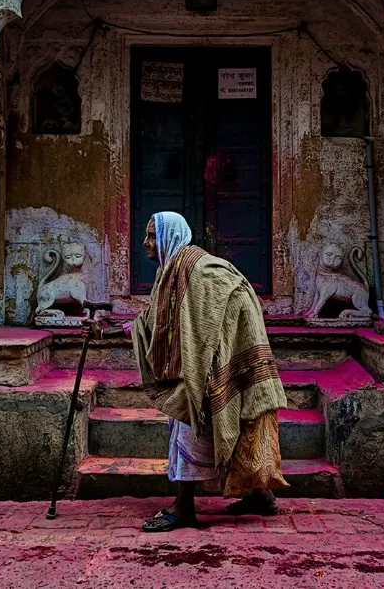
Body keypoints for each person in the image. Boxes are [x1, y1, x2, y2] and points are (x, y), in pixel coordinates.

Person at [122, 211, 288, 532]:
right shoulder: (172, 271)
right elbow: (160, 320)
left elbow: (224, 305)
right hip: (216, 355)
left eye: (153, 236)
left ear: (170, 236)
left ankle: (183, 507)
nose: (145, 242)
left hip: (222, 355)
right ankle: (262, 495)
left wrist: (209, 357)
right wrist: (128, 329)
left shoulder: (199, 270)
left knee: (191, 418)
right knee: (238, 420)